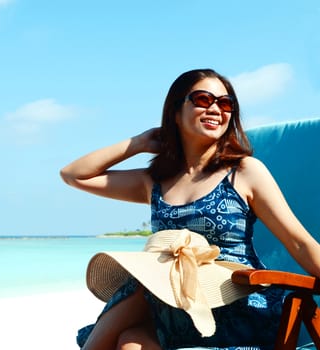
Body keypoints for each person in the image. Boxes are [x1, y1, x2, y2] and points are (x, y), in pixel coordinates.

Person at [60, 68, 320, 350]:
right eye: (203, 99)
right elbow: (74, 175)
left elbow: (298, 242)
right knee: (130, 343)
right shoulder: (155, 181)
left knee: (141, 285)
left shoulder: (243, 172)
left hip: (233, 298)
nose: (216, 109)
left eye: (225, 103)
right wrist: (139, 143)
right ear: (175, 111)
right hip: (172, 304)